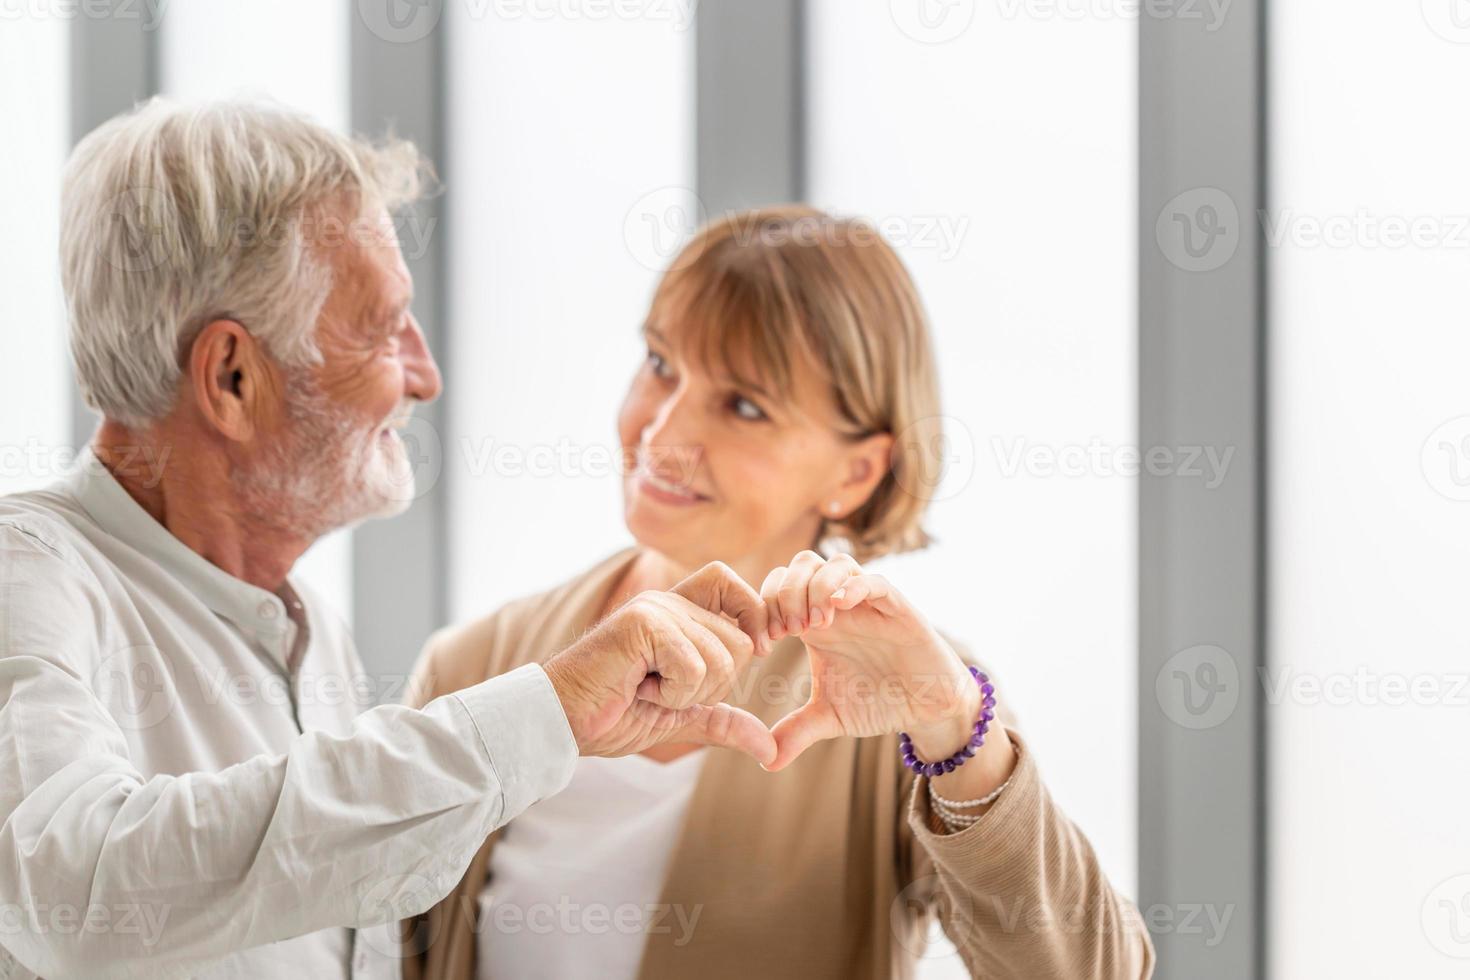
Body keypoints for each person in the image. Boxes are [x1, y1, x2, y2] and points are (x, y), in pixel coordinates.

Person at [0, 99, 778, 980]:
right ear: (231, 376)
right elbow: (74, 888)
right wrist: (546, 710)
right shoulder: (25, 575)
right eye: (382, 330)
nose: (425, 375)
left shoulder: (307, 629)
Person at [402, 208, 1156, 979]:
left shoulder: (903, 708)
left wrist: (953, 726)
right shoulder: (477, 664)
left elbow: (1088, 971)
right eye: (661, 363)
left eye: (745, 406)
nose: (661, 434)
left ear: (855, 472)